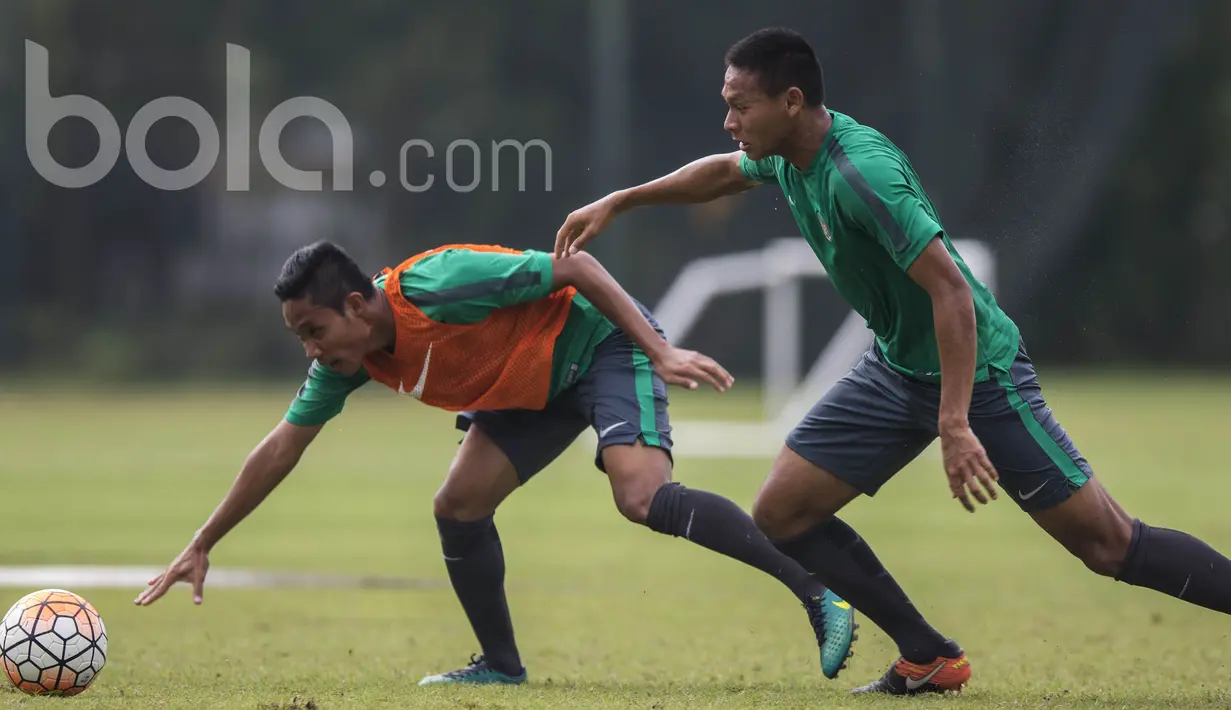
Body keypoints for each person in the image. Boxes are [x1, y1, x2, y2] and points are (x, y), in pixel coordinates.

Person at [554, 26, 1231, 695]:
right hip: (895, 367)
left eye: (740, 105)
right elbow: (721, 174)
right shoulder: (785, 155)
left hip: (980, 373)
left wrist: (955, 422)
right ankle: (927, 656)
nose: (728, 120)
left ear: (790, 101)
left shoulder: (859, 174)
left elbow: (952, 294)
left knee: (1107, 545)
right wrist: (622, 199)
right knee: (783, 513)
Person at [132, 240, 858, 684]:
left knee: (640, 497)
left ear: (356, 305)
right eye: (300, 338)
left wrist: (659, 349)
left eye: (315, 331)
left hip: (599, 346)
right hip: (526, 390)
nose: (311, 350)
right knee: (458, 504)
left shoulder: (440, 284)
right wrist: (202, 544)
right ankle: (501, 666)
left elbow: (572, 263)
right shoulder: (348, 360)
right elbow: (281, 446)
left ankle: (817, 596)